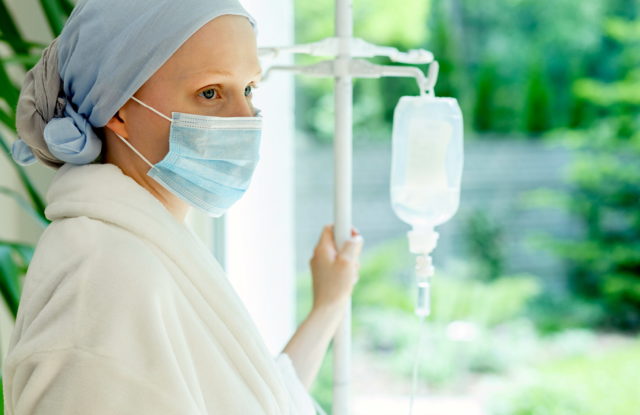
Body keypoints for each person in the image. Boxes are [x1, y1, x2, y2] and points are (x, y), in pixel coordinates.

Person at [2, 0, 364, 414]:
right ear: (118, 110)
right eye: (210, 93)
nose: (245, 117)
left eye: (249, 89)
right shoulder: (103, 279)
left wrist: (328, 306)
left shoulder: (148, 250)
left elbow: (263, 401)